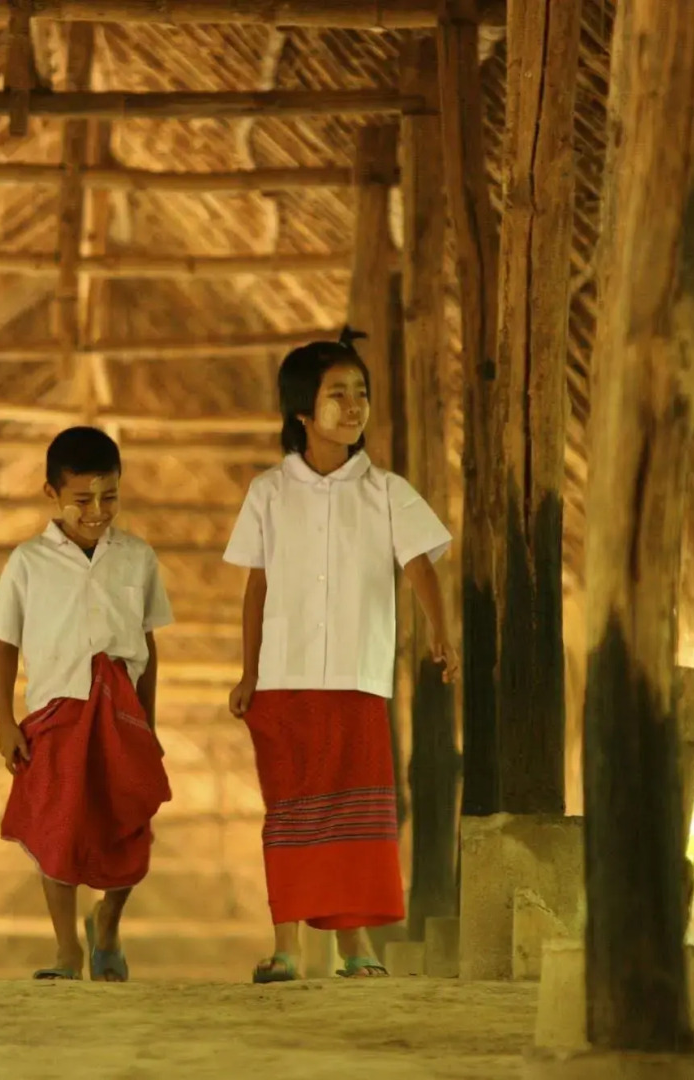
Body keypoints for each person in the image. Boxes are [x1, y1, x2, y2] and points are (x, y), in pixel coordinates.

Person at [223, 328, 457, 984]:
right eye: (337, 395)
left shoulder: (385, 490)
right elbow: (256, 586)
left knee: (356, 809)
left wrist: (439, 633)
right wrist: (248, 671)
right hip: (283, 678)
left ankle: (358, 948)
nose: (352, 407)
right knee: (292, 810)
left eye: (360, 394)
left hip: (356, 676)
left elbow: (418, 565)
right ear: (302, 410)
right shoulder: (267, 492)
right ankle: (285, 950)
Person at [0, 427, 173, 982]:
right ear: (51, 493)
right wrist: (3, 722)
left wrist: (149, 723)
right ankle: (68, 950)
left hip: (122, 718)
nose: (97, 511)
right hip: (55, 711)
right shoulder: (27, 562)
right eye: (82, 499)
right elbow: (4, 645)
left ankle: (107, 923)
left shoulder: (137, 557)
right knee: (55, 830)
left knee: (130, 828)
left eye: (109, 496)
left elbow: (148, 643)